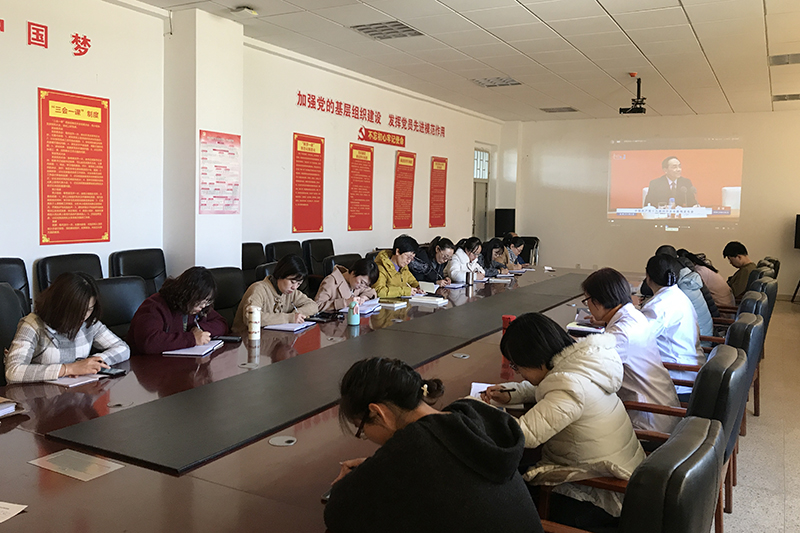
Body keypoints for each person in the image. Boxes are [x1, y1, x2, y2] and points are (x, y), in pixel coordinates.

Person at [325, 357, 544, 533]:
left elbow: (338, 514)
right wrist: (382, 466)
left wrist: (373, 471)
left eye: (362, 429)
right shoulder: (468, 421)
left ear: (378, 412)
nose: (367, 436)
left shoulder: (410, 450)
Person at [481, 313, 644, 528]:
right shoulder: (582, 366)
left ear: (536, 359)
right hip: (618, 476)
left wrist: (477, 409)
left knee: (497, 493)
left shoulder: (569, 385)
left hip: (598, 496)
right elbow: (550, 386)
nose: (518, 374)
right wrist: (513, 393)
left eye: (517, 366)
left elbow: (524, 434)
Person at [581, 268, 680, 433]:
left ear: (598, 301)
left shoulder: (622, 333)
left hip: (647, 421)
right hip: (662, 406)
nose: (588, 306)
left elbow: (586, 366)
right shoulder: (635, 316)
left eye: (587, 300)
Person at [5, 272, 130, 383]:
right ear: (60, 305)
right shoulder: (33, 324)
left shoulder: (89, 322)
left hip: (78, 392)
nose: (83, 316)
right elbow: (13, 371)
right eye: (77, 310)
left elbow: (123, 348)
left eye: (89, 309)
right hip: (40, 395)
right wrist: (69, 369)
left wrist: (93, 362)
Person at [640, 255, 706, 399]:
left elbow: (636, 337)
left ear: (648, 277)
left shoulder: (658, 305)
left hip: (678, 379)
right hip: (692, 369)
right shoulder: (678, 295)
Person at [126, 266, 228, 354]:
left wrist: (198, 329)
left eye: (207, 301)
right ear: (187, 294)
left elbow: (222, 324)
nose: (203, 306)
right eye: (199, 302)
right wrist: (192, 338)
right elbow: (149, 342)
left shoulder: (198, 308)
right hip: (144, 364)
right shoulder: (154, 306)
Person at [231, 254, 319, 334]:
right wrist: (289, 318)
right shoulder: (258, 289)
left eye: (299, 284)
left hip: (272, 337)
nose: (294, 287)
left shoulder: (291, 293)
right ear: (281, 274)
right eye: (292, 282)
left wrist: (296, 314)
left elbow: (313, 306)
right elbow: (251, 318)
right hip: (245, 340)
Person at [314, 258, 378, 312]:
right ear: (354, 272)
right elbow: (316, 306)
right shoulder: (331, 281)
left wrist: (363, 298)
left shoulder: (356, 282)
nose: (362, 286)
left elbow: (370, 291)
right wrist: (345, 302)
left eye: (366, 285)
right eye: (362, 282)